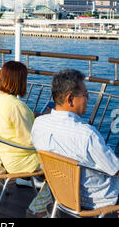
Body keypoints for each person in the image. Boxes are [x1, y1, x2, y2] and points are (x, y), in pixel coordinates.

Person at [31, 69, 119, 212]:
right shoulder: (87, 135)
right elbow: (115, 169)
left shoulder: (39, 124)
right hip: (97, 199)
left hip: (61, 194)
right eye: (86, 95)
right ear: (70, 99)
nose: (88, 99)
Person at [0, 60, 52, 217]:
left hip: (0, 156)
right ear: (20, 80)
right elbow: (31, 140)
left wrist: (34, 117)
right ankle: (38, 208)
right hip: (17, 161)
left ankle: (44, 203)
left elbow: (11, 125)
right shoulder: (16, 106)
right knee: (62, 167)